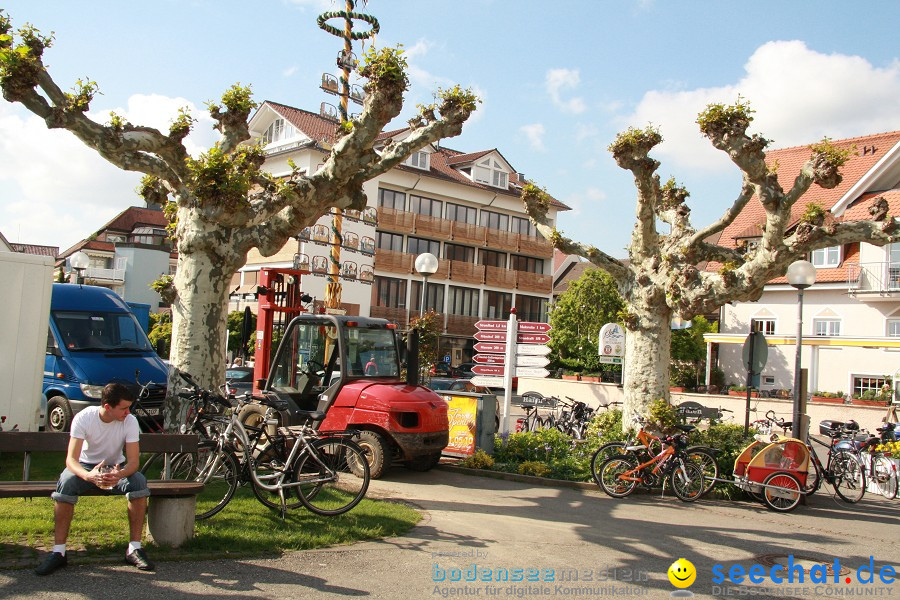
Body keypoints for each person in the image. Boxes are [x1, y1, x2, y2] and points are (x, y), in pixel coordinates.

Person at [35, 383, 154, 576]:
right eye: (123, 408)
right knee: (66, 483)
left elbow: (133, 463)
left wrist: (119, 474)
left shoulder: (130, 421)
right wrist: (88, 475)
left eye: (129, 408)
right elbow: (71, 460)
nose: (128, 412)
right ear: (108, 407)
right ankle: (58, 552)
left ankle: (134, 548)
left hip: (116, 469)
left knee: (138, 482)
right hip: (86, 468)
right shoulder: (85, 418)